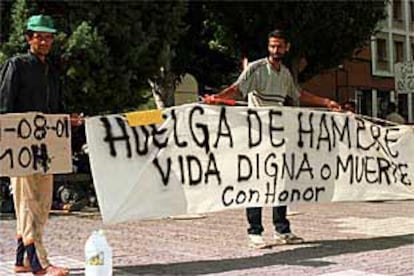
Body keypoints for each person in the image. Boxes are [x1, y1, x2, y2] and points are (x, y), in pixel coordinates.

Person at [203, 29, 341, 248]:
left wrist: (325, 103)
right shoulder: (256, 69)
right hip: (256, 137)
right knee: (256, 183)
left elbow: (298, 94)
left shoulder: (285, 73)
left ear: (287, 48)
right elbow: (237, 90)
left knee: (281, 183)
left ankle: (282, 230)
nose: (275, 51)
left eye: (279, 46)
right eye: (272, 46)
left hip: (278, 137)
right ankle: (254, 232)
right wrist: (217, 98)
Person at [0, 15, 70, 276]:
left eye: (49, 37)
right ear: (29, 38)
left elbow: (56, 109)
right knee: (27, 202)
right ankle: (39, 263)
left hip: (46, 148)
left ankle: (21, 260)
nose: (44, 41)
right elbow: (4, 106)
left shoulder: (51, 71)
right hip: (20, 148)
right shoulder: (16, 65)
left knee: (41, 202)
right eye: (39, 36)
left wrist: (68, 120)